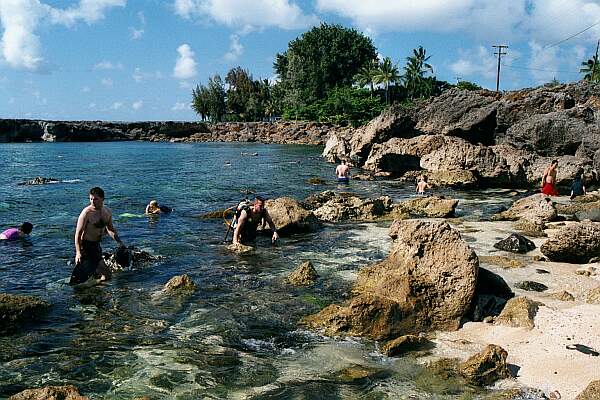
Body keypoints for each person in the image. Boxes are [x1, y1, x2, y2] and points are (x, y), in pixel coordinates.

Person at [70, 187, 124, 285]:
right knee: (107, 275)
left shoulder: (107, 212)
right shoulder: (86, 213)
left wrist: (120, 242)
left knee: (102, 275)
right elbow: (77, 234)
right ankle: (92, 287)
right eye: (91, 199)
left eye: (95, 199)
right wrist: (78, 252)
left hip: (96, 246)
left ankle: (93, 287)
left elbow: (110, 229)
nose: (92, 201)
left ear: (102, 199)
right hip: (86, 247)